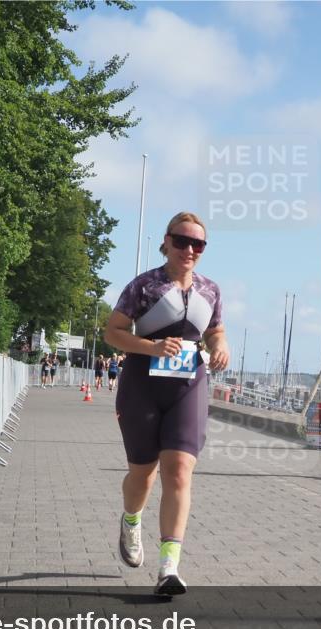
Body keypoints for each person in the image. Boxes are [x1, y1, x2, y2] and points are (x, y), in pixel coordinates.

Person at [104, 211, 228, 596]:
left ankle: (168, 567)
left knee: (179, 472)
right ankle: (130, 520)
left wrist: (221, 346)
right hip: (143, 384)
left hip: (188, 386)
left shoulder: (211, 289)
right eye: (182, 241)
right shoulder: (144, 286)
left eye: (198, 244)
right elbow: (113, 332)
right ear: (167, 241)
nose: (189, 250)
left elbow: (216, 330)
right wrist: (152, 347)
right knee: (143, 475)